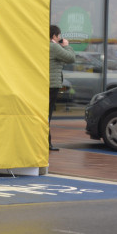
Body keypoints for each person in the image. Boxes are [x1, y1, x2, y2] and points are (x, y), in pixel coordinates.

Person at [49, 24, 76, 152]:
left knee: (45, 115)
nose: (60, 38)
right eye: (59, 35)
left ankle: (47, 142)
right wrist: (67, 45)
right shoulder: (53, 46)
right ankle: (47, 143)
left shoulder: (47, 45)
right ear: (54, 35)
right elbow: (71, 58)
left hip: (46, 84)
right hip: (52, 85)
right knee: (47, 115)